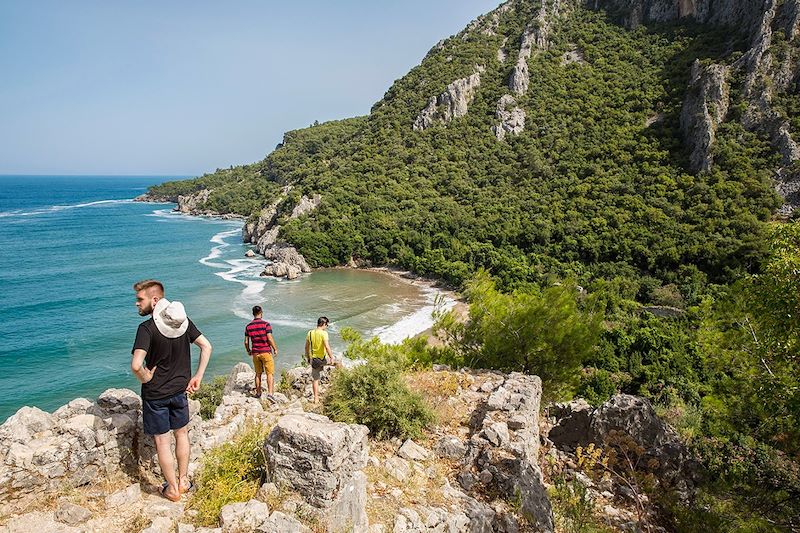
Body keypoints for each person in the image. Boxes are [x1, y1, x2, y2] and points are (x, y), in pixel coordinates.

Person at [131, 279, 212, 502]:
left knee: (162, 442)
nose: (136, 304)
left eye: (140, 299)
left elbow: (137, 365)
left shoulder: (146, 329)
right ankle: (184, 481)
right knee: (182, 434)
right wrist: (198, 377)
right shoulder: (183, 322)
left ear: (154, 300)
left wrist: (146, 376)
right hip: (180, 390)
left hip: (156, 395)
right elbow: (207, 346)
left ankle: (173, 489)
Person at [244, 305, 278, 397]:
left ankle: (258, 393)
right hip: (266, 352)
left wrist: (248, 350)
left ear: (253, 314)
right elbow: (269, 338)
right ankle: (270, 394)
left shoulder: (248, 326)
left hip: (255, 353)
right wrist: (275, 348)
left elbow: (246, 342)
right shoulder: (266, 324)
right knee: (269, 373)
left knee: (258, 374)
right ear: (261, 313)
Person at [305, 316, 335, 404]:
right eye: (327, 325)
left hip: (314, 360)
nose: (327, 327)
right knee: (338, 363)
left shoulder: (310, 333)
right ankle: (341, 379)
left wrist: (308, 358)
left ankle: (316, 398)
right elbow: (327, 346)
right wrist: (332, 357)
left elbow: (306, 347)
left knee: (315, 379)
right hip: (323, 360)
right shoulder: (324, 333)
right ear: (323, 324)